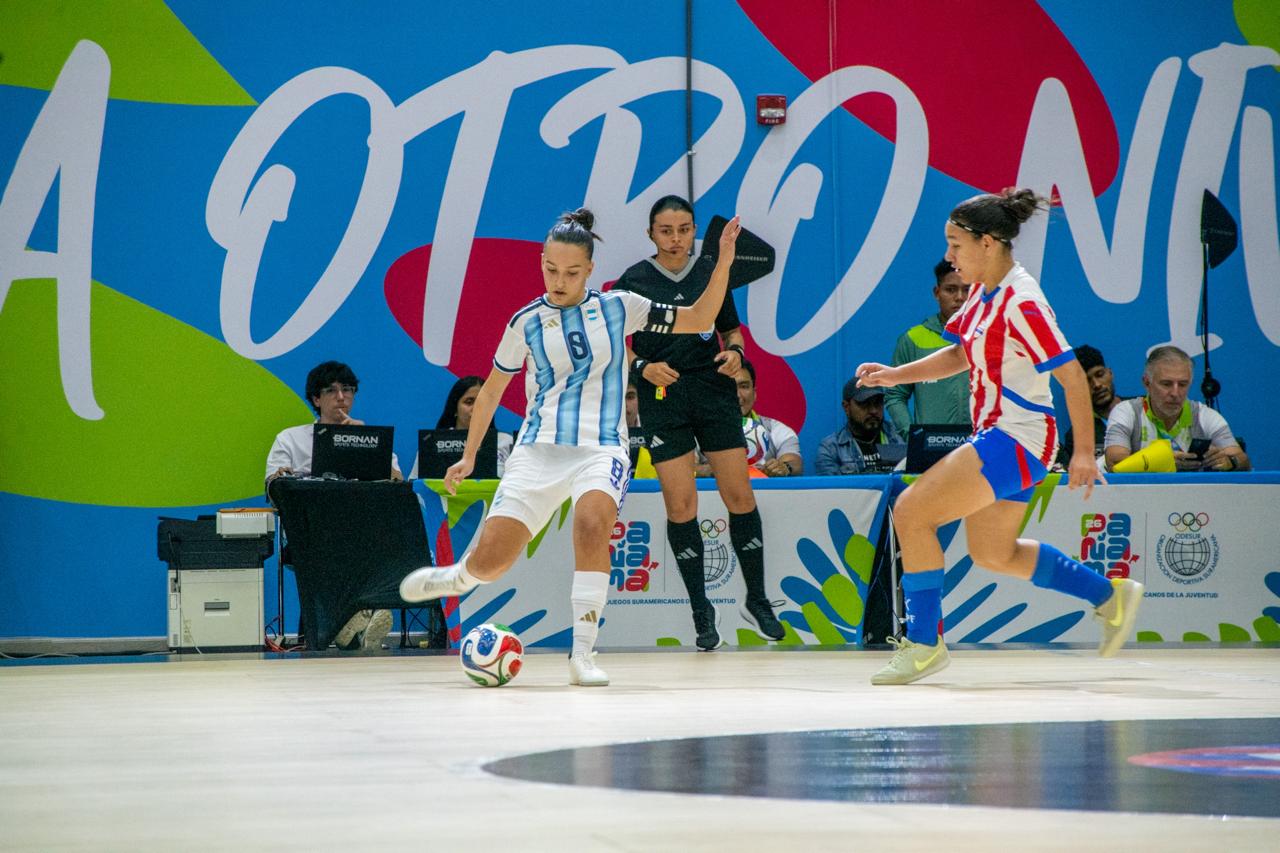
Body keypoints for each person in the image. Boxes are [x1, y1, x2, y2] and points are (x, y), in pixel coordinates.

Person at [400, 208, 747, 686]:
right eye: (551, 270)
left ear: (590, 271)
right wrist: (469, 453)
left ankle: (582, 654)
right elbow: (493, 392)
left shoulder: (621, 306)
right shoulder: (525, 322)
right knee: (492, 563)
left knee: (591, 524)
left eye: (571, 272)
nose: (559, 281)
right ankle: (459, 576)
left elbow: (702, 318)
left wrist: (723, 259)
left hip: (602, 448)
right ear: (541, 263)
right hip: (539, 450)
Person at [855, 188, 1143, 686]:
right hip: (1008, 438)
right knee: (994, 553)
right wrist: (894, 375)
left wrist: (1083, 452)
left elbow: (1072, 376)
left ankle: (923, 644)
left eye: (956, 244)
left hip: (1017, 438)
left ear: (987, 243)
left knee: (912, 511)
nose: (949, 255)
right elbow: (959, 355)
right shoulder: (985, 293)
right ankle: (1109, 596)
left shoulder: (1022, 301)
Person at [610, 195, 786, 652]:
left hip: (713, 391)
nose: (676, 239)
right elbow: (617, 343)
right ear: (651, 233)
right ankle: (700, 610)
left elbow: (731, 331)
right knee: (681, 504)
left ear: (694, 231)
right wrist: (642, 368)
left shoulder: (711, 271)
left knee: (739, 495)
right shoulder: (634, 280)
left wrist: (736, 354)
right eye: (666, 231)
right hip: (662, 396)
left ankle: (757, 598)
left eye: (684, 229)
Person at [265, 360, 401, 651]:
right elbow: (273, 488)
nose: (341, 397)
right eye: (331, 391)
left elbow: (397, 484)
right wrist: (285, 477)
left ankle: (352, 625)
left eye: (348, 390)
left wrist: (367, 448)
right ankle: (357, 618)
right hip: (311, 537)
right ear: (316, 399)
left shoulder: (370, 438)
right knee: (334, 550)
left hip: (362, 534)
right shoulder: (291, 439)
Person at [1103, 345, 1250, 472]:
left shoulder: (1205, 415)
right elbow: (1115, 464)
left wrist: (1229, 462)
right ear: (1147, 383)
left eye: (1183, 384)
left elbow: (1243, 460)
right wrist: (1162, 461)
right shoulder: (1126, 411)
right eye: (1166, 384)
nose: (1175, 393)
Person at [884, 259, 971, 435]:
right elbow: (895, 395)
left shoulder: (988, 336)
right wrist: (912, 435)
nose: (960, 297)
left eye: (967, 289)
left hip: (981, 443)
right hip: (930, 444)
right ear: (937, 293)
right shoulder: (913, 339)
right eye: (950, 289)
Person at [702, 357, 803, 478]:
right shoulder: (697, 431)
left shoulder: (777, 430)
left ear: (754, 393)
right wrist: (704, 470)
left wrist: (785, 467)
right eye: (728, 386)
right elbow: (686, 468)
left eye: (744, 386)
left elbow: (795, 463)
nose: (737, 395)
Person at [409, 375, 513, 477]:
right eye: (469, 402)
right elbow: (415, 485)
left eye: (482, 403)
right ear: (455, 409)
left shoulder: (505, 441)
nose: (477, 408)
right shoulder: (431, 443)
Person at [1056, 344, 1128, 467]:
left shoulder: (1143, 408)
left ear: (1110, 373)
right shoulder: (1077, 437)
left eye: (1100, 374)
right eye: (1086, 381)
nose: (1097, 385)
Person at [816, 378, 905, 475]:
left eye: (878, 402)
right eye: (864, 403)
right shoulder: (832, 449)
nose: (873, 410)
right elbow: (832, 484)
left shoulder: (899, 438)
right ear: (846, 407)